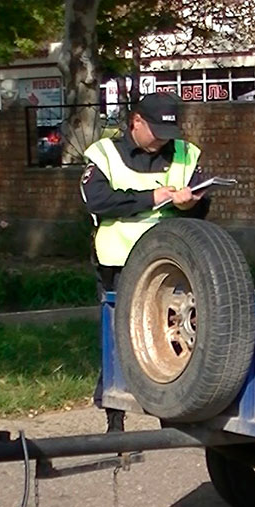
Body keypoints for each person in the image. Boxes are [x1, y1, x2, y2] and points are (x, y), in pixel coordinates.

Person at [80, 93, 210, 432]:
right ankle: (114, 414)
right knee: (118, 334)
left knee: (171, 335)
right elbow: (96, 200)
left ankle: (170, 414)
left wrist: (187, 204)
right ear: (136, 122)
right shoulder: (105, 154)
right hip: (119, 260)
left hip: (171, 262)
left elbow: (202, 203)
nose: (164, 140)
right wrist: (151, 199)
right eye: (156, 131)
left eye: (170, 132)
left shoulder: (185, 153)